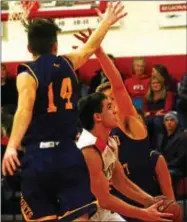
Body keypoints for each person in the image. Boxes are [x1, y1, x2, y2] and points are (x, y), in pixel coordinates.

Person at [2, 2, 126, 221]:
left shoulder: (27, 74)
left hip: (39, 157)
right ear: (56, 46)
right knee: (79, 217)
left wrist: (12, 146)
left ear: (29, 49)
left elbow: (24, 110)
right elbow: (89, 47)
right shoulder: (69, 63)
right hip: (68, 154)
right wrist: (106, 21)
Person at [77, 92, 173, 221]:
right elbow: (104, 199)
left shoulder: (110, 143)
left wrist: (150, 201)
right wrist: (145, 214)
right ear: (98, 117)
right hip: (76, 212)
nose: (115, 111)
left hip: (99, 209)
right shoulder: (88, 150)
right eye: (110, 107)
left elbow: (120, 181)